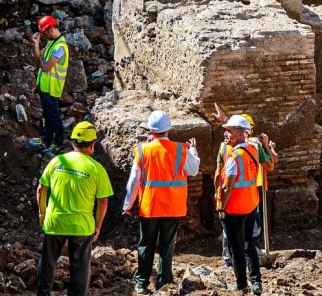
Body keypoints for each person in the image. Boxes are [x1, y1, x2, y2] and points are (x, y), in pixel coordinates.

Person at [123, 110, 200, 294]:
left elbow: (134, 180)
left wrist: (127, 204)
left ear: (151, 131)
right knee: (167, 245)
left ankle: (141, 283)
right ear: (169, 130)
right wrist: (193, 150)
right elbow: (193, 170)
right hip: (173, 206)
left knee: (146, 244)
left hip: (150, 206)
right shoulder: (181, 149)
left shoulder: (143, 150)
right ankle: (163, 282)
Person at [36, 120, 113, 296]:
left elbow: (41, 189)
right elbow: (103, 202)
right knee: (79, 268)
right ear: (93, 144)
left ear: (73, 143)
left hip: (55, 222)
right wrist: (98, 225)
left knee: (47, 264)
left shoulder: (57, 161)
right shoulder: (96, 169)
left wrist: (42, 213)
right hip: (82, 226)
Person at [214, 107, 277, 268]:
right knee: (251, 232)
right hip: (249, 197)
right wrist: (268, 146)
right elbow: (270, 165)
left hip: (230, 197)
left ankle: (229, 261)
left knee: (230, 231)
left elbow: (217, 174)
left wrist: (218, 197)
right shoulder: (255, 147)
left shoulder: (224, 146)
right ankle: (251, 261)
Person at [218, 115, 262, 295]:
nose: (226, 133)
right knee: (249, 244)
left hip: (234, 209)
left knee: (236, 248)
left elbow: (227, 188)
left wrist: (222, 207)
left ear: (238, 132)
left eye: (229, 130)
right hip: (251, 204)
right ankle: (256, 282)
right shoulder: (253, 149)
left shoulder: (234, 158)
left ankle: (242, 284)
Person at [31, 15, 69, 156]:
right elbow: (38, 57)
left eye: (45, 33)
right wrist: (35, 44)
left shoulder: (59, 47)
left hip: (52, 88)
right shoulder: (51, 43)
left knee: (54, 117)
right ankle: (46, 140)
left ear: (52, 29)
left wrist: (41, 58)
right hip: (44, 86)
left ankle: (59, 143)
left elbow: (46, 67)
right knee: (47, 115)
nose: (45, 36)